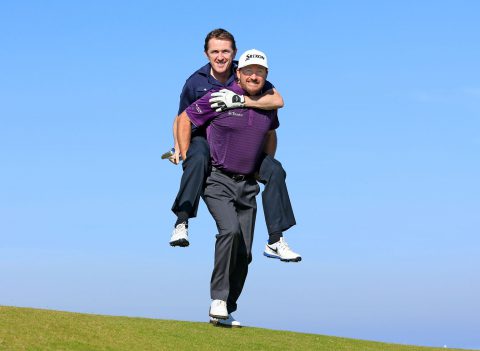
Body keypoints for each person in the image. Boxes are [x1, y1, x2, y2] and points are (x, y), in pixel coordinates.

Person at [177, 49, 290, 327]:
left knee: (245, 253)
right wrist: (183, 152)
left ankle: (227, 307)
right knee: (229, 231)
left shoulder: (267, 103)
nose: (254, 75)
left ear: (266, 76)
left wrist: (264, 164)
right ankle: (217, 298)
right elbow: (184, 118)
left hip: (247, 185)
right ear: (238, 73)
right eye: (249, 70)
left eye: (260, 72)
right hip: (217, 179)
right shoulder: (218, 97)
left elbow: (270, 133)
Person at [169, 28, 300, 262]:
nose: (220, 56)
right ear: (206, 54)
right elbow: (182, 118)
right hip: (203, 136)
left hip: (239, 142)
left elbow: (277, 101)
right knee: (197, 158)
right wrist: (180, 148)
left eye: (225, 51)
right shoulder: (195, 82)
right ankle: (182, 220)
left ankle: (276, 240)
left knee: (276, 170)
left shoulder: (246, 73)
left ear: (234, 53)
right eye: (215, 51)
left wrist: (241, 100)